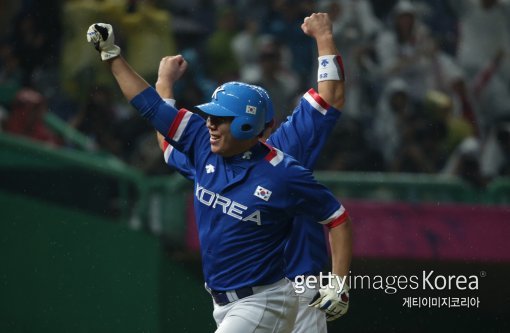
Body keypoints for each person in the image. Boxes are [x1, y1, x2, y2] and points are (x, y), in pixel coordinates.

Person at [86, 14, 352, 333]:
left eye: (220, 118)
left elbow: (331, 98)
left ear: (249, 124)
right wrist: (159, 83)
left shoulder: (285, 156)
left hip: (291, 287)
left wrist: (324, 37)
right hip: (229, 299)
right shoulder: (206, 150)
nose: (210, 124)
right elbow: (165, 133)